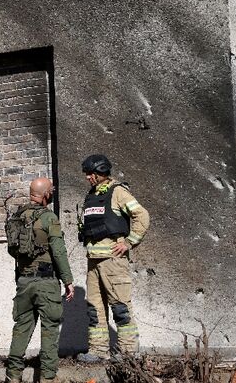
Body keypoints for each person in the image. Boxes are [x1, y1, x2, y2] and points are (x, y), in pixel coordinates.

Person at [77, 154, 150, 362]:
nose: (87, 178)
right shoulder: (91, 195)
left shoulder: (118, 192)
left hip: (113, 260)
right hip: (93, 260)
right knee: (94, 308)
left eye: (90, 174)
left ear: (100, 172)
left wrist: (128, 242)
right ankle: (98, 350)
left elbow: (142, 216)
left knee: (120, 306)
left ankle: (128, 352)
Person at [5, 177, 75, 383]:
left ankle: (13, 376)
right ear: (45, 194)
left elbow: (13, 251)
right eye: (51, 190)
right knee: (50, 331)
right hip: (46, 283)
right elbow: (59, 251)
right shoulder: (48, 218)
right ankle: (47, 378)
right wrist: (68, 280)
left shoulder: (17, 217)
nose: (52, 193)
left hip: (24, 282)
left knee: (21, 329)